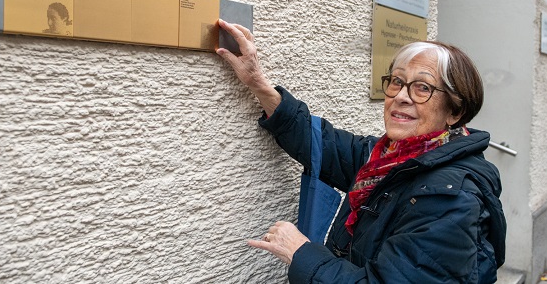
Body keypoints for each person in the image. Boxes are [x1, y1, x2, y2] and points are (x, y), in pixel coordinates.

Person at [216, 19, 506, 283]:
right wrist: (258, 83)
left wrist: (300, 252)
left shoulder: (450, 199)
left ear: (455, 111)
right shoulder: (387, 158)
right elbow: (320, 143)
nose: (402, 97)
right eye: (397, 82)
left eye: (422, 88)